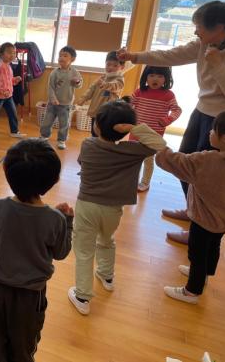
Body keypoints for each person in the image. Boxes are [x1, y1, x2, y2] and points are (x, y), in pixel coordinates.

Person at [118, 0, 225, 244]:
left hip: (223, 120)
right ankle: (192, 210)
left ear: (220, 27)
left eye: (199, 26)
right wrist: (135, 56)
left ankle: (202, 227)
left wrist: (218, 66)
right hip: (201, 111)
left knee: (209, 173)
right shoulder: (204, 43)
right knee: (185, 162)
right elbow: (170, 55)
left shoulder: (217, 52)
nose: (196, 32)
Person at [0, 139, 74, 362]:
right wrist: (67, 222)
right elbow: (61, 252)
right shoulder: (55, 219)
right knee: (23, 347)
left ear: (5, 171)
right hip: (30, 296)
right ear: (54, 180)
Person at [68, 100, 167, 316]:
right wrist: (134, 129)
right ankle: (107, 276)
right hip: (113, 208)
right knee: (106, 240)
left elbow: (81, 163)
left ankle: (83, 296)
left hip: (87, 205)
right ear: (124, 129)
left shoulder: (88, 145)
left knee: (84, 250)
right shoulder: (135, 151)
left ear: (97, 126)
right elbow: (160, 144)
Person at [156, 110, 225, 304]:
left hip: (203, 219)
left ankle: (191, 291)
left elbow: (178, 162)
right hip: (223, 221)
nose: (209, 132)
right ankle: (204, 275)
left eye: (213, 130)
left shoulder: (208, 161)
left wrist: (160, 149)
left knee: (197, 253)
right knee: (213, 247)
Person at [130, 66, 182, 192]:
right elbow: (128, 105)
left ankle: (145, 183)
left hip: (154, 134)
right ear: (145, 77)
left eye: (160, 76)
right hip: (137, 131)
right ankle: (131, 181)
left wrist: (167, 120)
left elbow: (176, 110)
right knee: (133, 158)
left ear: (166, 79)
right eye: (151, 75)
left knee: (148, 159)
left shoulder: (168, 95)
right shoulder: (139, 92)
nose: (155, 79)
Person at [40, 46, 83, 149]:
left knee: (64, 124)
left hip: (66, 104)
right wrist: (53, 98)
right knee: (47, 122)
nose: (61, 58)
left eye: (65, 56)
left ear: (72, 59)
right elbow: (50, 87)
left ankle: (61, 140)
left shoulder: (75, 72)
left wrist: (77, 82)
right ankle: (44, 136)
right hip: (52, 104)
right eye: (60, 55)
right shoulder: (55, 72)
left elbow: (79, 84)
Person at [76, 51, 126, 136]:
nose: (110, 67)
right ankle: (94, 142)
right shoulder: (102, 77)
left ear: (122, 67)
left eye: (115, 65)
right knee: (94, 131)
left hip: (107, 112)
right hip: (96, 110)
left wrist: (105, 85)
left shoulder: (119, 79)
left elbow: (115, 86)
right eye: (108, 64)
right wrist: (83, 98)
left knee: (104, 133)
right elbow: (91, 89)